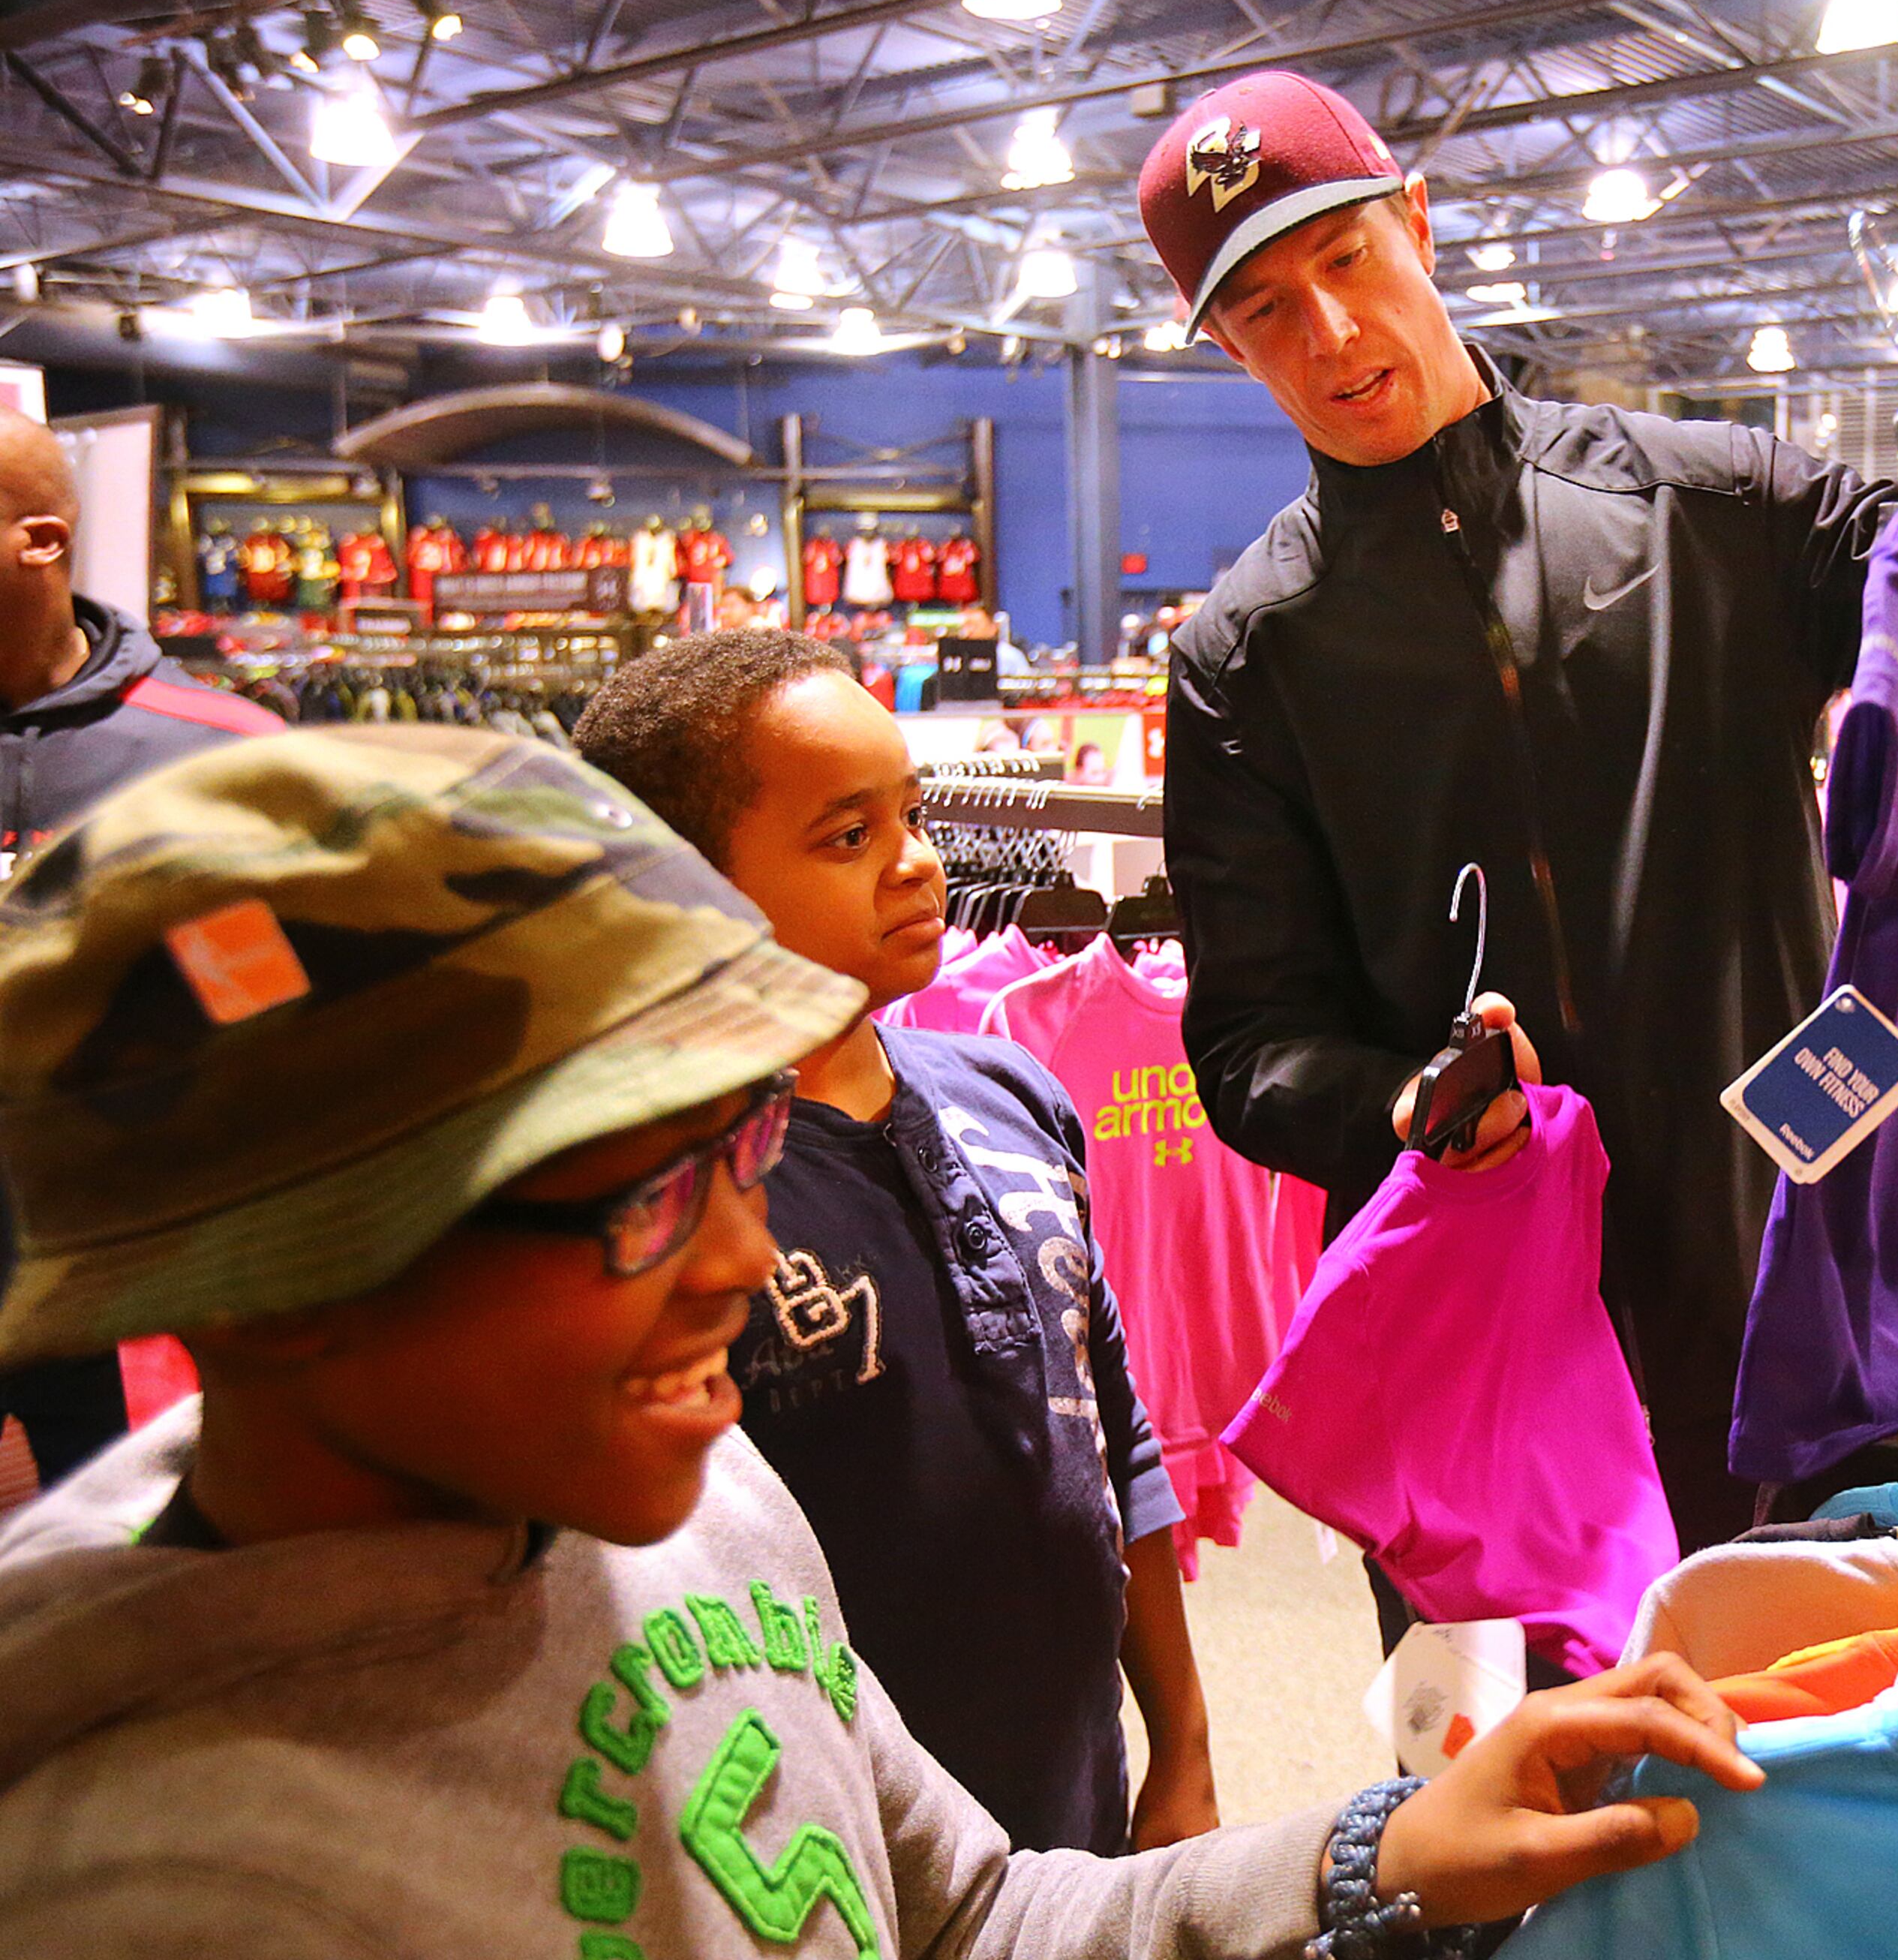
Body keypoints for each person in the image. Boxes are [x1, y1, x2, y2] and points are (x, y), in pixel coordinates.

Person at [0, 724, 1764, 1956]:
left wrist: (1374, 1857)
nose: (747, 1254)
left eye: (739, 1148)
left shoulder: (697, 1505)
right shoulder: (161, 1885)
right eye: (632, 1200)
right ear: (275, 1288)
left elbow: (973, 1916)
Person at [1140, 74, 1898, 1553]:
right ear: (1230, 345)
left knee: (1797, 1731)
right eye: (1266, 312)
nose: (1333, 336)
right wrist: (1406, 1104)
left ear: (1417, 227)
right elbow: (1248, 1045)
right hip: (1487, 1342)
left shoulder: (1717, 506)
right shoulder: (1246, 654)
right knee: (1530, 1772)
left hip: (1784, 1304)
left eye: (1346, 262)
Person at [573, 630, 1215, 1854]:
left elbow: (1110, 1430)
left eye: (911, 815)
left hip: (1069, 1817)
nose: (920, 865)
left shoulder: (1014, 1095)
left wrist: (1181, 1746)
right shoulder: (672, 1203)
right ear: (681, 887)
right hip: (810, 1846)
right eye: (848, 837)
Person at [0, 404, 281, 1490]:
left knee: (148, 1580)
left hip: (138, 1275)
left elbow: (269, 1006)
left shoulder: (219, 754)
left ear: (41, 542)